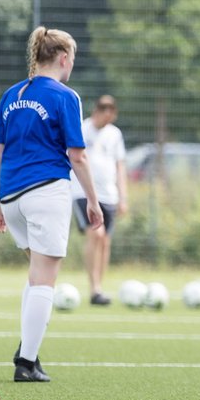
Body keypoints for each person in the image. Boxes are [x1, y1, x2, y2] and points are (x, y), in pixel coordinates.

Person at [0, 27, 103, 382]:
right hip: (45, 192)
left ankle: (28, 351)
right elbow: (77, 156)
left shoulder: (11, 94)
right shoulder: (66, 95)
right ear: (64, 58)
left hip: (10, 197)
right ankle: (26, 362)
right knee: (44, 279)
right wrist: (94, 201)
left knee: (36, 273)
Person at [69, 95, 128, 306]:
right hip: (83, 192)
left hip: (109, 194)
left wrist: (123, 197)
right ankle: (94, 287)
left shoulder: (115, 134)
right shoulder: (83, 129)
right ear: (97, 110)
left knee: (105, 241)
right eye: (104, 109)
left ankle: (99, 288)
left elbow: (120, 166)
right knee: (96, 234)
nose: (107, 114)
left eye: (111, 110)